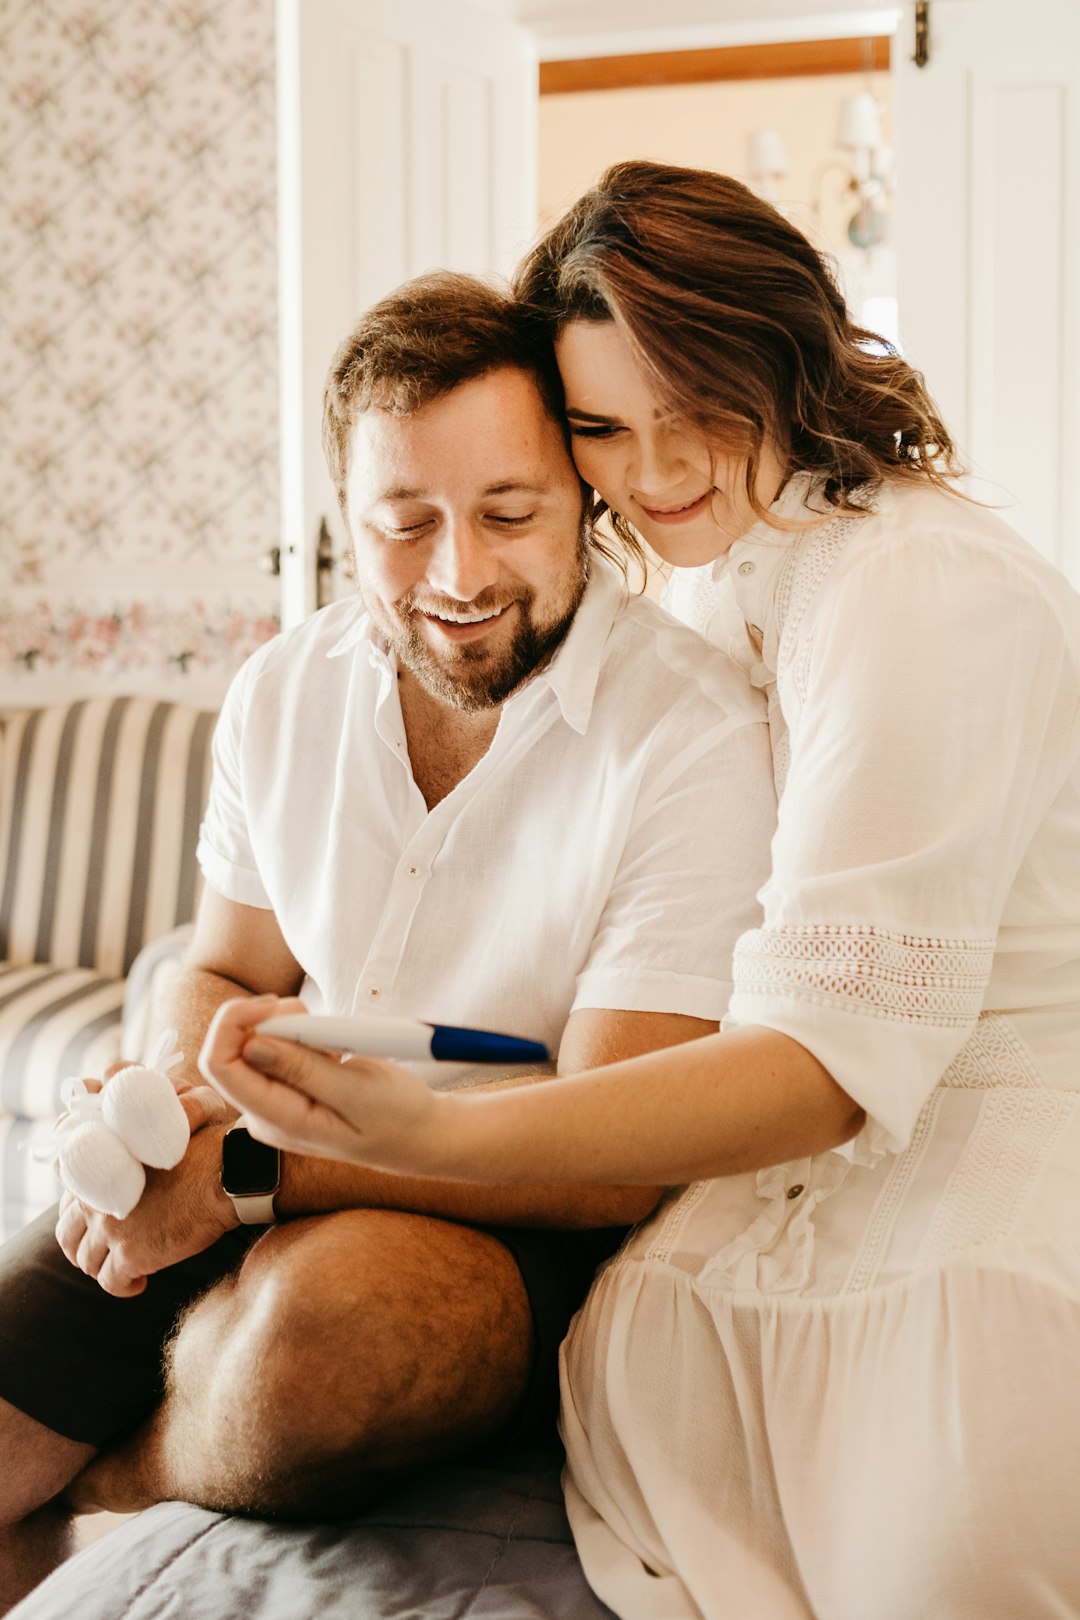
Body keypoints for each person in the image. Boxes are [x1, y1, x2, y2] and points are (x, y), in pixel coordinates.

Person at [201, 163, 1080, 1620]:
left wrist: (426, 1138)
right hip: (786, 1144)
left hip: (975, 1117)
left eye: (702, 411)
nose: (656, 472)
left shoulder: (917, 587)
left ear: (790, 360)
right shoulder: (728, 567)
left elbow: (821, 1065)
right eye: (604, 428)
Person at [0, 268, 779, 1614]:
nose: (459, 574)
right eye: (403, 525)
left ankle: (100, 1495)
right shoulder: (279, 691)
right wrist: (178, 1101)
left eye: (507, 514)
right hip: (239, 1160)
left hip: (505, 1213)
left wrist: (248, 1174)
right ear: (341, 524)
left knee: (307, 1349)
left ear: (582, 502)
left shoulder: (692, 734)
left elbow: (612, 1156)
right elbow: (225, 964)